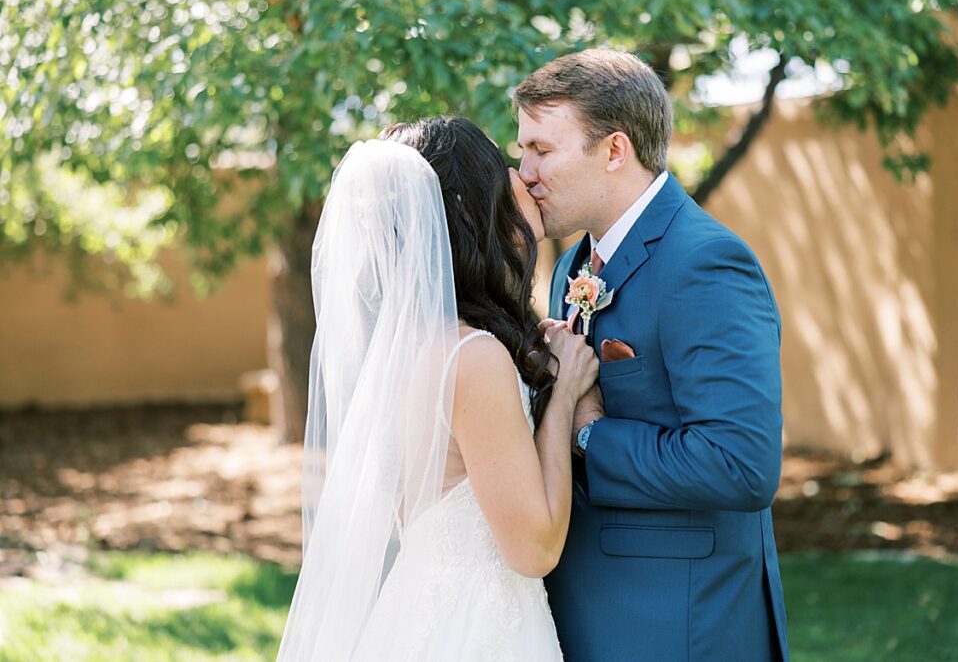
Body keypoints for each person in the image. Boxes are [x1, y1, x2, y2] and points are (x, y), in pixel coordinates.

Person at [275, 116, 596, 661]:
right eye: (504, 167)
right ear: (476, 204)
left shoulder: (412, 350)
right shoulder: (471, 357)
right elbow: (533, 548)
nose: (524, 174)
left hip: (420, 613)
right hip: (475, 628)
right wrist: (565, 398)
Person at [514, 48, 790, 661]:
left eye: (542, 149)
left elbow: (740, 464)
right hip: (584, 604)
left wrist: (587, 431)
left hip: (675, 623)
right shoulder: (570, 267)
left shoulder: (705, 264)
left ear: (615, 151)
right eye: (522, 149)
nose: (525, 171)